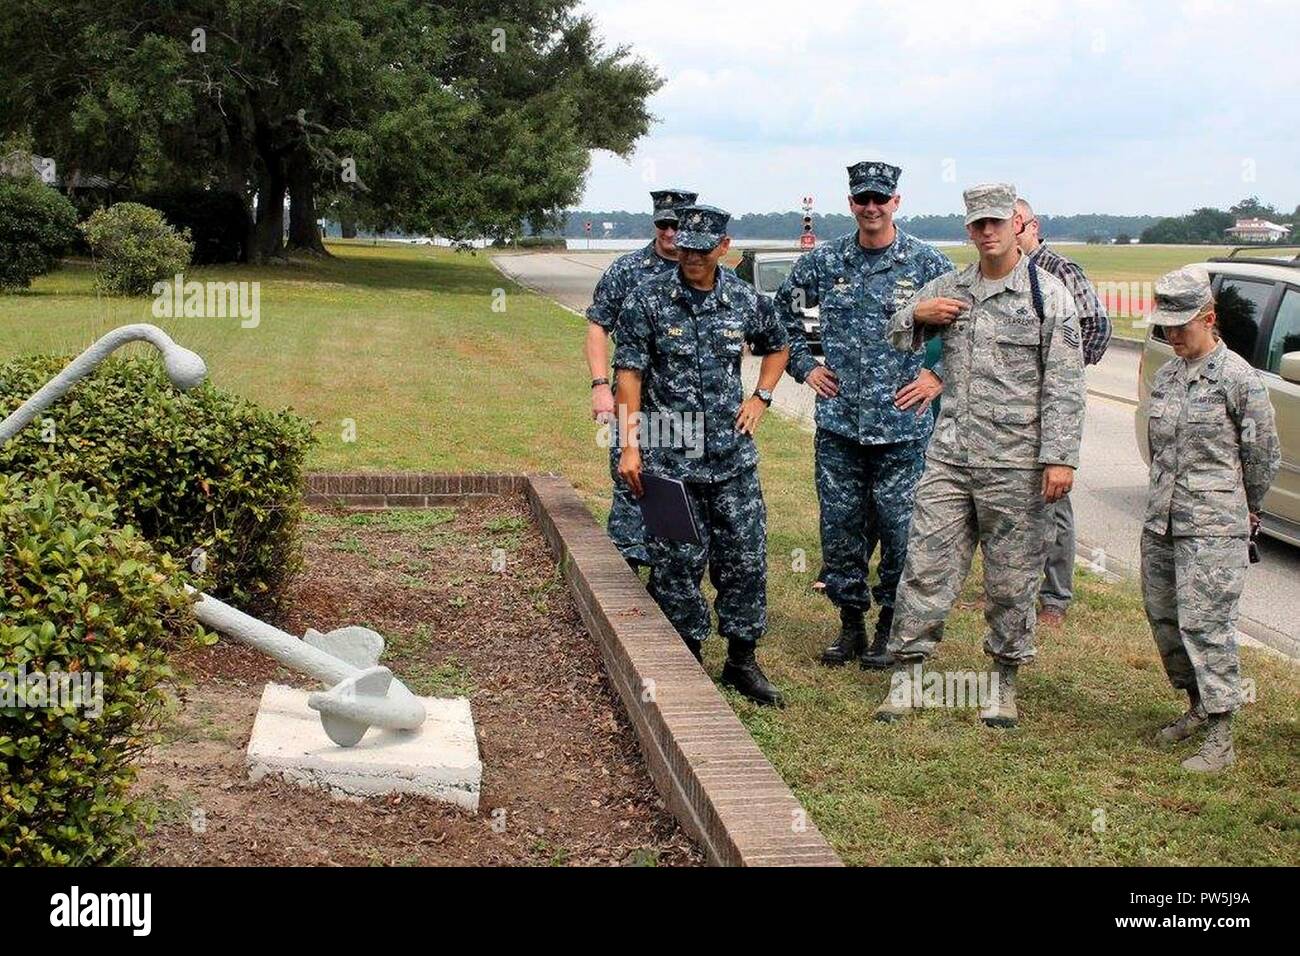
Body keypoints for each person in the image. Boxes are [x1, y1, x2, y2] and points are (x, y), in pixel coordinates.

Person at [875, 183, 1087, 728]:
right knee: (925, 565)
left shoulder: (1048, 296)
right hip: (950, 458)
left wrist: (1059, 458)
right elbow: (895, 336)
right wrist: (917, 313)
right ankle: (909, 675)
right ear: (968, 230)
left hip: (1017, 463)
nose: (988, 232)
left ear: (1017, 225)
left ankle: (1003, 683)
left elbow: (1064, 386)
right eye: (978, 225)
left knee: (1012, 579)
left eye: (997, 222)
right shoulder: (950, 287)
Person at [773, 161, 953, 670]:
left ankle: (889, 628)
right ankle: (850, 624)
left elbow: (968, 326)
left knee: (901, 532)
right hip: (840, 427)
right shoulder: (825, 263)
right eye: (861, 199)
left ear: (896, 201)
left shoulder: (926, 264)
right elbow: (779, 316)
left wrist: (938, 376)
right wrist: (806, 366)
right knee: (841, 530)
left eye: (880, 198)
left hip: (902, 430)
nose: (871, 208)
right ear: (851, 203)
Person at [614, 204, 790, 706]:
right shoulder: (647, 300)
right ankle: (684, 654)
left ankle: (741, 660)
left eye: (702, 248)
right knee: (675, 563)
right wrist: (630, 445)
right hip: (669, 453)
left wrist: (761, 397)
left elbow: (778, 347)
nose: (692, 256)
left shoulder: (741, 297)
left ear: (723, 247)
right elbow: (629, 374)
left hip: (731, 457)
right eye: (685, 247)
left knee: (744, 559)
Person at [1139, 266, 1279, 772]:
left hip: (1214, 526)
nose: (1172, 335)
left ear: (1210, 317)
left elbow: (1262, 456)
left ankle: (1222, 732)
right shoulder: (1169, 375)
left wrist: (1245, 509)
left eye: (1182, 325)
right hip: (1162, 522)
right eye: (1166, 326)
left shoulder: (1238, 378)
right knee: (1165, 618)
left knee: (1207, 624)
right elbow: (1159, 450)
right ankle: (1196, 705)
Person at [584, 188, 698, 568]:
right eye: (664, 224)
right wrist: (600, 386)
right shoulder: (626, 270)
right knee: (631, 486)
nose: (670, 233)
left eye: (678, 225)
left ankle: (672, 591)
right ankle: (626, 591)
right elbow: (598, 327)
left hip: (686, 411)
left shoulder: (702, 271)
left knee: (684, 496)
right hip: (635, 406)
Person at [1014, 197, 1112, 627]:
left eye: (1015, 224)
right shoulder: (1005, 272)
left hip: (1051, 405)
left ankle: (1055, 596)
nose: (1007, 233)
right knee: (1011, 501)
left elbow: (1097, 326)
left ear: (1032, 225)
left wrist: (1063, 373)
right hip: (1012, 407)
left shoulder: (1060, 271)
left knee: (1054, 500)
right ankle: (1011, 588)